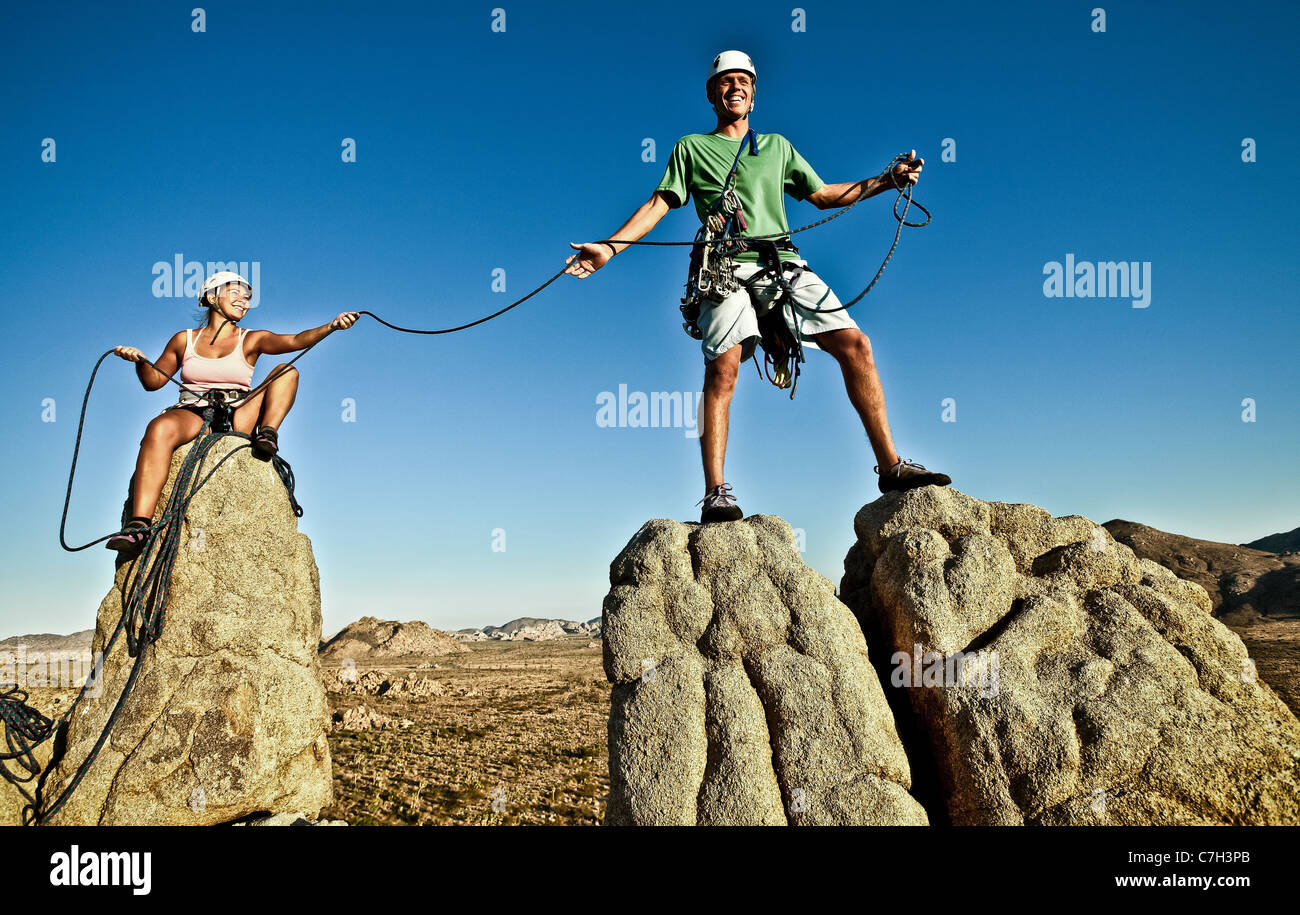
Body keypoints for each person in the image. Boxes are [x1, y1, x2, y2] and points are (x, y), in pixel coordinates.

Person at [565, 50, 952, 523]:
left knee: (857, 345)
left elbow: (824, 195)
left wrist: (886, 181)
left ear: (754, 92)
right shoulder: (692, 148)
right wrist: (609, 248)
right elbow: (658, 204)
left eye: (743, 81)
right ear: (712, 95)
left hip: (782, 265)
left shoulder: (777, 147)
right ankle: (715, 493)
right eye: (725, 82)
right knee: (723, 368)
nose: (735, 88)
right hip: (725, 266)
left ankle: (890, 467)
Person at [105, 270, 358, 553]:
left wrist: (332, 326)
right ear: (212, 297)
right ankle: (139, 526)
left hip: (240, 412)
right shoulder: (183, 340)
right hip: (193, 410)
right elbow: (153, 382)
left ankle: (268, 434)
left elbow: (296, 340)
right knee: (158, 428)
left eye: (248, 297)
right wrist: (140, 361)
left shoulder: (251, 338)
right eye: (235, 293)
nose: (244, 301)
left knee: (287, 371)